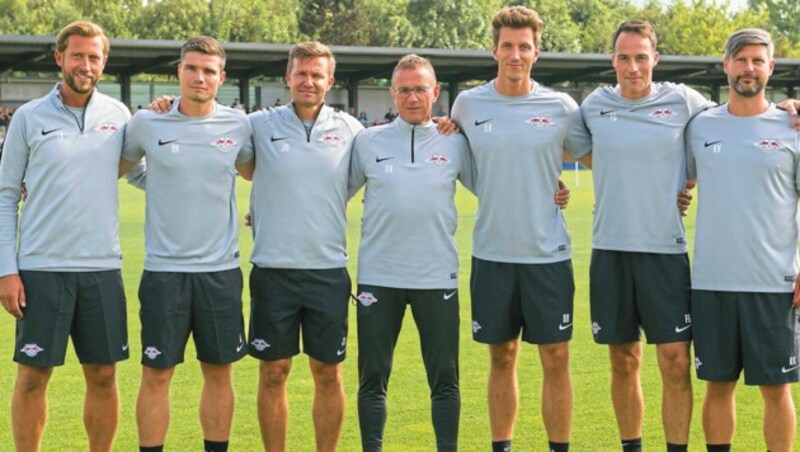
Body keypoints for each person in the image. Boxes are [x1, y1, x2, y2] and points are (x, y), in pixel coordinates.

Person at [450, 6, 591, 452]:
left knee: (556, 357)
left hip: (548, 256)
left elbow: (603, 158)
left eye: (524, 47)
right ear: (495, 50)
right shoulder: (468, 104)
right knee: (501, 356)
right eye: (507, 46)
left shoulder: (561, 107)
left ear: (536, 52)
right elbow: (457, 156)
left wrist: (677, 186)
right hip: (492, 254)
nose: (515, 54)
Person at [577, 20, 714, 452]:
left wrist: (786, 108)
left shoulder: (683, 100)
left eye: (640, 57)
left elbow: (730, 126)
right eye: (623, 58)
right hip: (610, 252)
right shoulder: (594, 105)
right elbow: (558, 145)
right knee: (623, 360)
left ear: (655, 58)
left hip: (664, 253)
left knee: (675, 361)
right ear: (612, 61)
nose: (632, 67)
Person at [118, 36, 254, 452]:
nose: (200, 77)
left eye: (209, 70)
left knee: (219, 373)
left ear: (222, 78)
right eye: (192, 68)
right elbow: (121, 168)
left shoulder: (239, 126)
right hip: (164, 273)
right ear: (178, 71)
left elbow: (258, 174)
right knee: (156, 374)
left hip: (220, 272)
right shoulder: (146, 123)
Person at [0, 21, 130, 451]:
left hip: (102, 269)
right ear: (59, 58)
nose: (85, 65)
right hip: (41, 269)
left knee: (104, 375)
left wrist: (172, 127)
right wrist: (7, 270)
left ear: (104, 62)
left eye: (94, 57)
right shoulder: (28, 117)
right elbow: (4, 196)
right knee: (34, 377)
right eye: (77, 55)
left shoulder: (120, 116)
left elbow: (148, 174)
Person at [348, 54, 475, 452]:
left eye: (421, 88)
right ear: (392, 94)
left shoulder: (456, 140)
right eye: (404, 89)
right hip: (378, 278)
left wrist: (552, 192)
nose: (413, 97)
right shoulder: (367, 141)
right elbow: (328, 195)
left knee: (444, 380)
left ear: (435, 92)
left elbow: (496, 187)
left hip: (436, 277)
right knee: (372, 380)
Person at [685, 28, 799, 452]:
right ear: (726, 65)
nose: (748, 68)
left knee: (777, 390)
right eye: (741, 59)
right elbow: (676, 177)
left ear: (770, 67)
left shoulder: (793, 127)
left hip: (773, 283)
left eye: (757, 60)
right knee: (717, 386)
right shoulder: (700, 126)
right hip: (712, 282)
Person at [247, 41, 363, 452]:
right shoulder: (258, 125)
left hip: (327, 271)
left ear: (329, 81)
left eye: (317, 75)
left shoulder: (351, 130)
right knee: (273, 372)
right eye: (302, 73)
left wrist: (445, 126)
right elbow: (227, 157)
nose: (309, 81)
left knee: (328, 372)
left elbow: (378, 173)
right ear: (288, 77)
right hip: (273, 270)